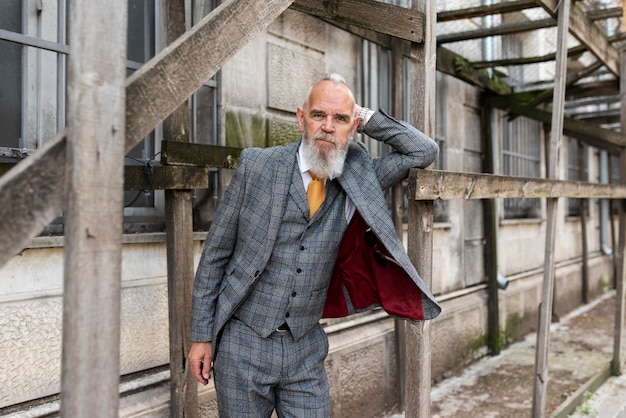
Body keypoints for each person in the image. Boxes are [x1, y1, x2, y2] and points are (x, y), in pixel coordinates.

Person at [188, 73, 441, 417]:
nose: (327, 126)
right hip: (242, 342)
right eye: (319, 115)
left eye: (339, 119)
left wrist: (365, 118)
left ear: (351, 129)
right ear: (300, 118)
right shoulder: (258, 165)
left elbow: (423, 150)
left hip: (305, 347)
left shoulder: (360, 177)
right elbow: (215, 254)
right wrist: (201, 336)